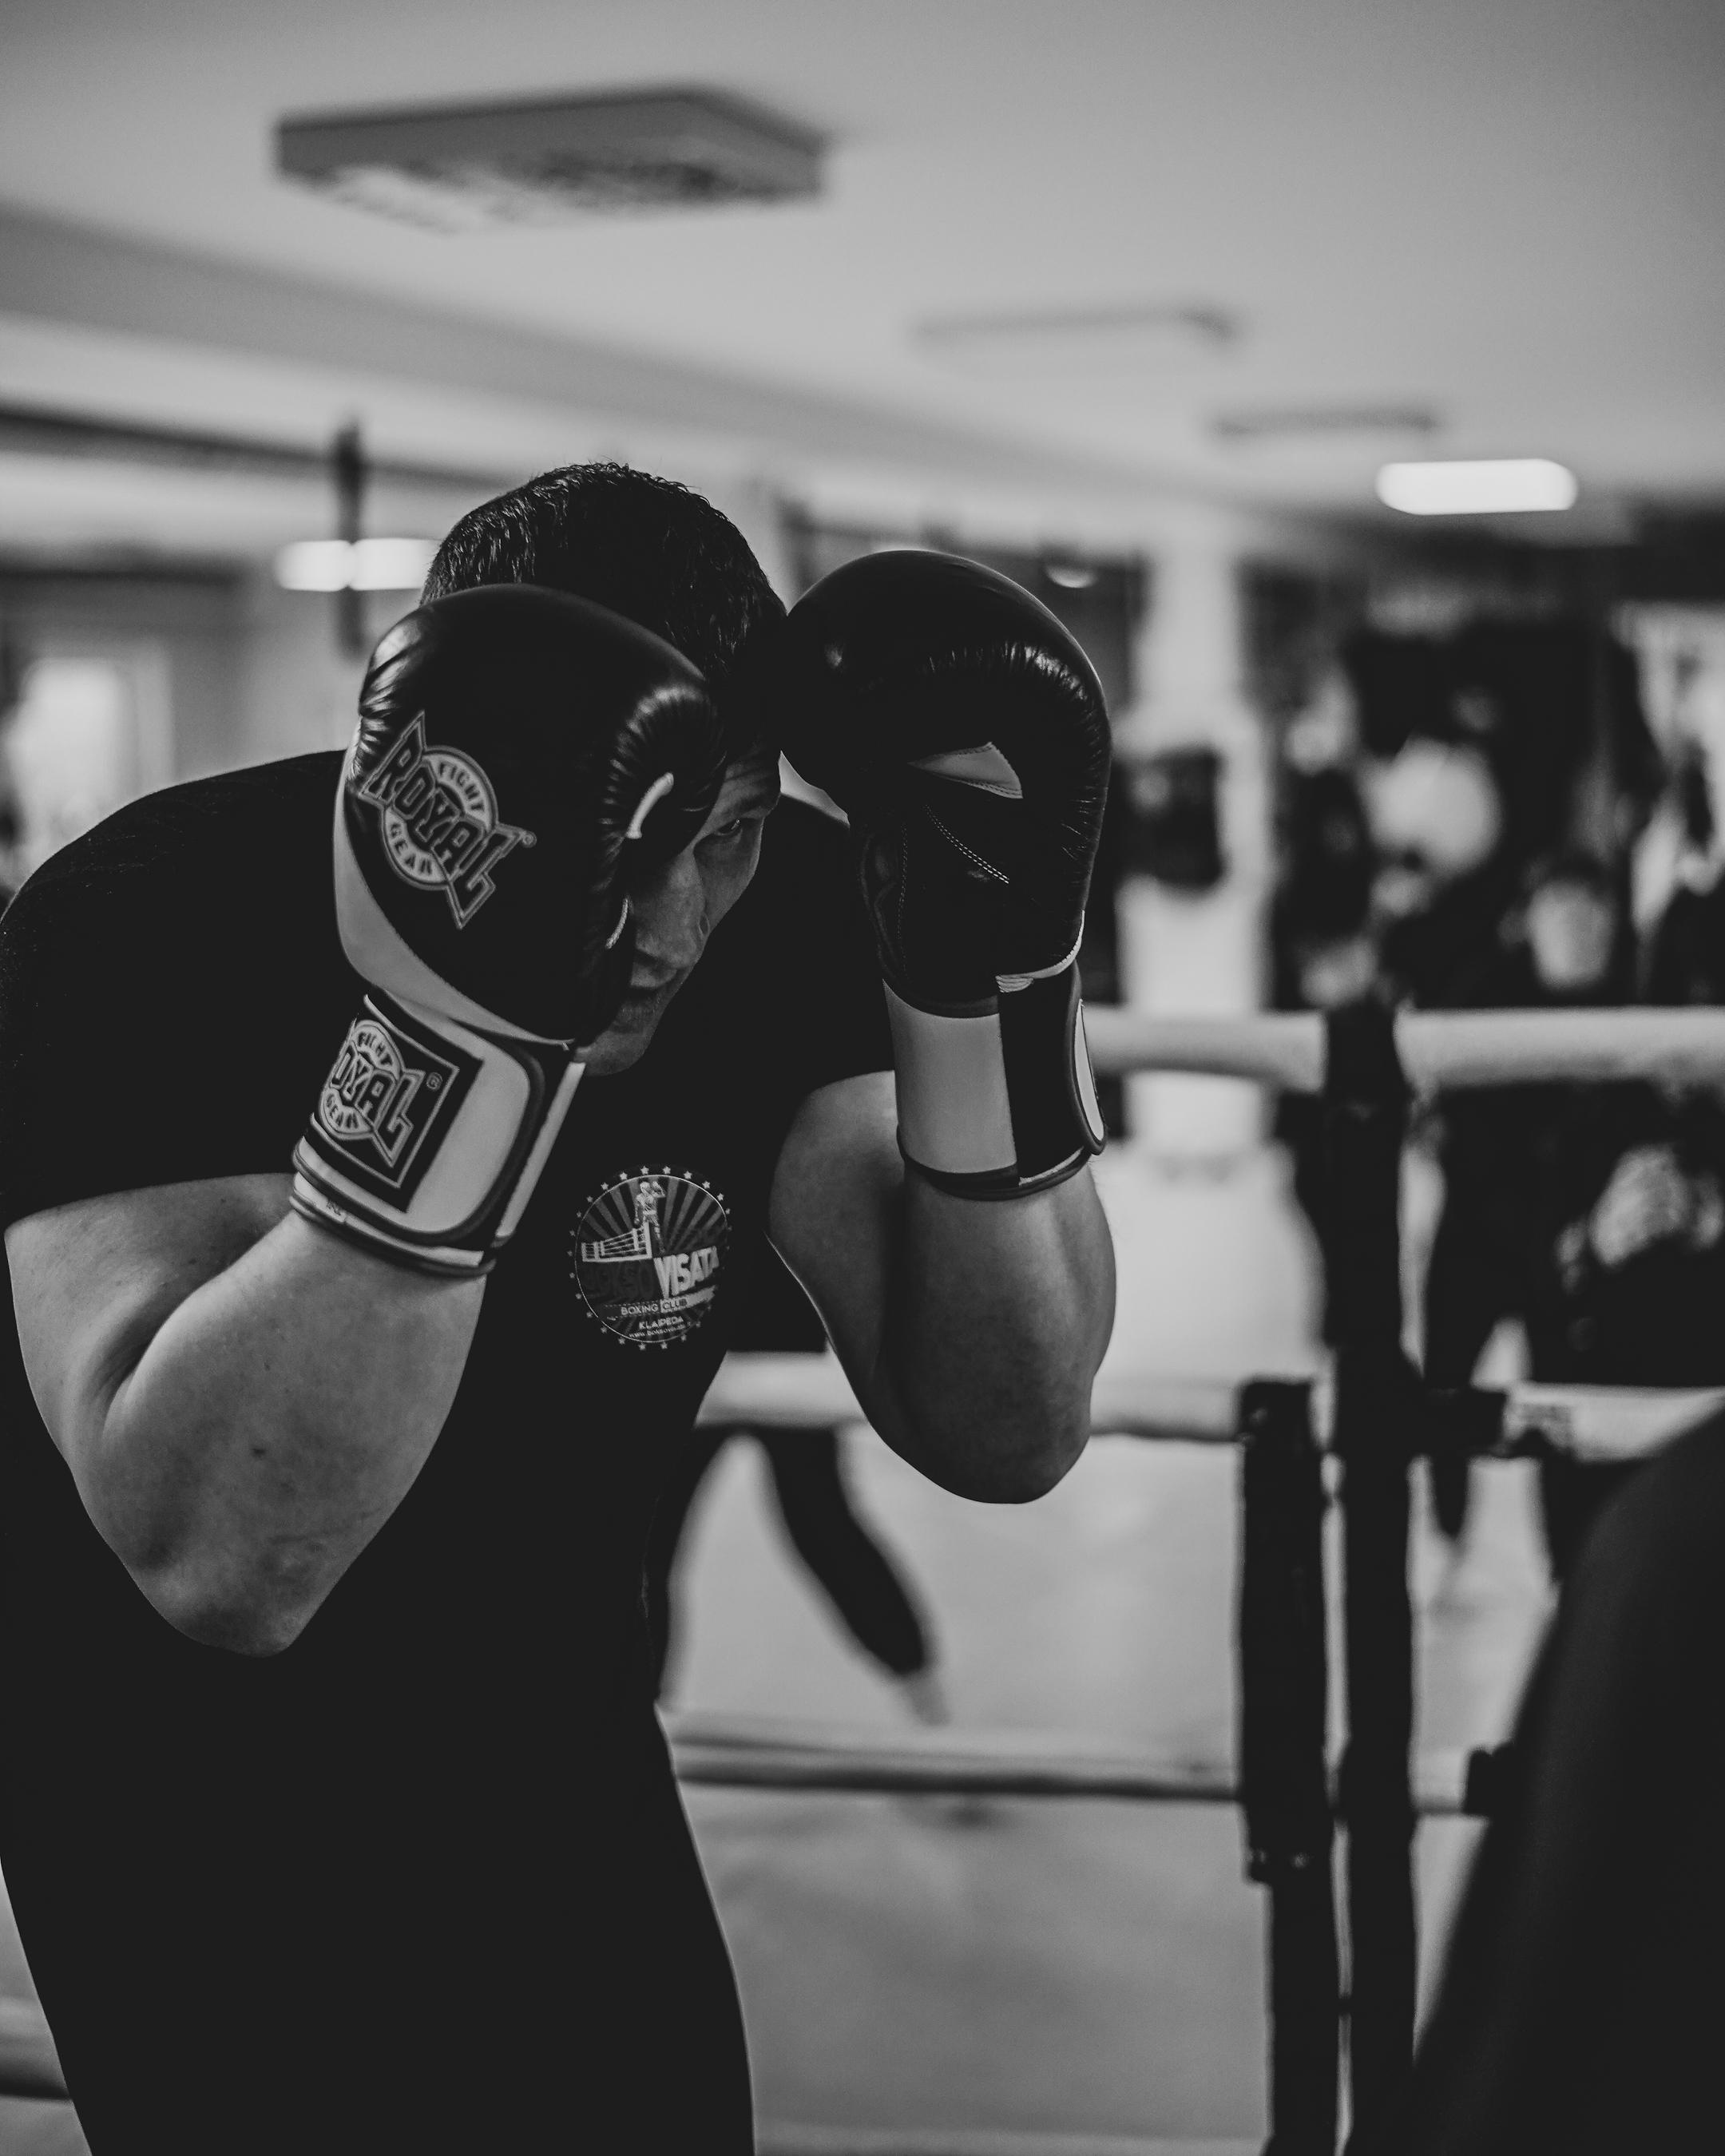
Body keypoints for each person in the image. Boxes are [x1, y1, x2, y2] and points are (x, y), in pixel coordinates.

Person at [0, 464, 1116, 2151]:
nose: (676, 924)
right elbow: (222, 1556)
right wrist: (474, 1018)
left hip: (556, 1740)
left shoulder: (792, 911)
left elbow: (1006, 1424)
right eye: (641, 850)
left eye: (729, 836)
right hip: (179, 1800)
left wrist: (985, 997)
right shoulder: (142, 921)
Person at [644, 1242, 947, 1722]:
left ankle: (931, 1716)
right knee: (647, 1541)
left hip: (767, 1319)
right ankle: (640, 1723)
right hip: (687, 1323)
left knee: (822, 1526)